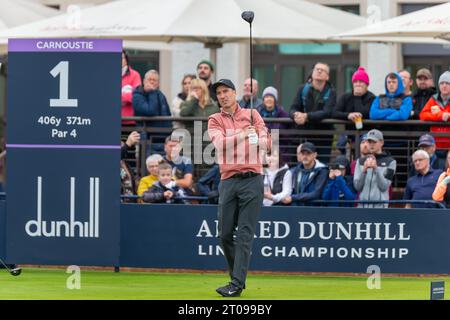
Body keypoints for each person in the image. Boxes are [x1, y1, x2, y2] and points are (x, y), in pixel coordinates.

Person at [208, 79, 271, 297]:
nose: (223, 95)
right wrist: (244, 134)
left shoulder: (253, 115)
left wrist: (259, 140)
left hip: (253, 179)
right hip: (229, 180)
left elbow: (267, 140)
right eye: (219, 93)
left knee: (245, 235)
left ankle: (236, 283)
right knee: (224, 234)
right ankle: (238, 277)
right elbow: (220, 144)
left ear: (235, 93)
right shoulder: (214, 119)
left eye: (226, 91)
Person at [289, 62, 336, 163]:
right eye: (317, 69)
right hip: (304, 135)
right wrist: (296, 115)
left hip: (323, 138)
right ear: (312, 73)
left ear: (327, 77)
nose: (319, 71)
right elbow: (293, 108)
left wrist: (306, 116)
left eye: (322, 70)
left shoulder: (331, 92)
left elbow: (327, 112)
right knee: (301, 165)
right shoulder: (302, 89)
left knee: (322, 167)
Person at [353, 129, 396, 208]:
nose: (371, 145)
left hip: (380, 209)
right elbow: (357, 187)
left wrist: (376, 169)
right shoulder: (360, 161)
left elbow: (384, 187)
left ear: (381, 142)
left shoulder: (391, 162)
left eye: (374, 142)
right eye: (369, 142)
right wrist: (364, 171)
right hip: (362, 207)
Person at [133, 69, 172, 153]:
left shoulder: (161, 95)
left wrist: (169, 134)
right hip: (147, 139)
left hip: (163, 140)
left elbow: (168, 114)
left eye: (154, 80)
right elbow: (150, 111)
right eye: (149, 79)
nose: (151, 82)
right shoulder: (137, 95)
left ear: (158, 83)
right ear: (143, 81)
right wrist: (152, 93)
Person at [282, 142, 328, 206]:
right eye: (303, 154)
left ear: (315, 155)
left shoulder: (322, 170)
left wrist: (293, 198)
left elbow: (316, 193)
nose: (305, 156)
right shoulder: (296, 170)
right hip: (296, 210)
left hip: (314, 211)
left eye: (308, 154)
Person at [419, 71, 450, 150]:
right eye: (442, 83)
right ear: (439, 86)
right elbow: (423, 115)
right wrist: (440, 116)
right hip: (435, 145)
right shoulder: (433, 99)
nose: (444, 86)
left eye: (447, 83)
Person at [121, 50, 142, 126]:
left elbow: (136, 97)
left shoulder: (135, 75)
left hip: (129, 121)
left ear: (126, 60)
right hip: (111, 120)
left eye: (122, 58)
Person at [121, 131, 140, 202]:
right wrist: (128, 143)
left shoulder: (125, 163)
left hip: (129, 202)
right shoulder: (111, 161)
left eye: (123, 142)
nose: (122, 144)